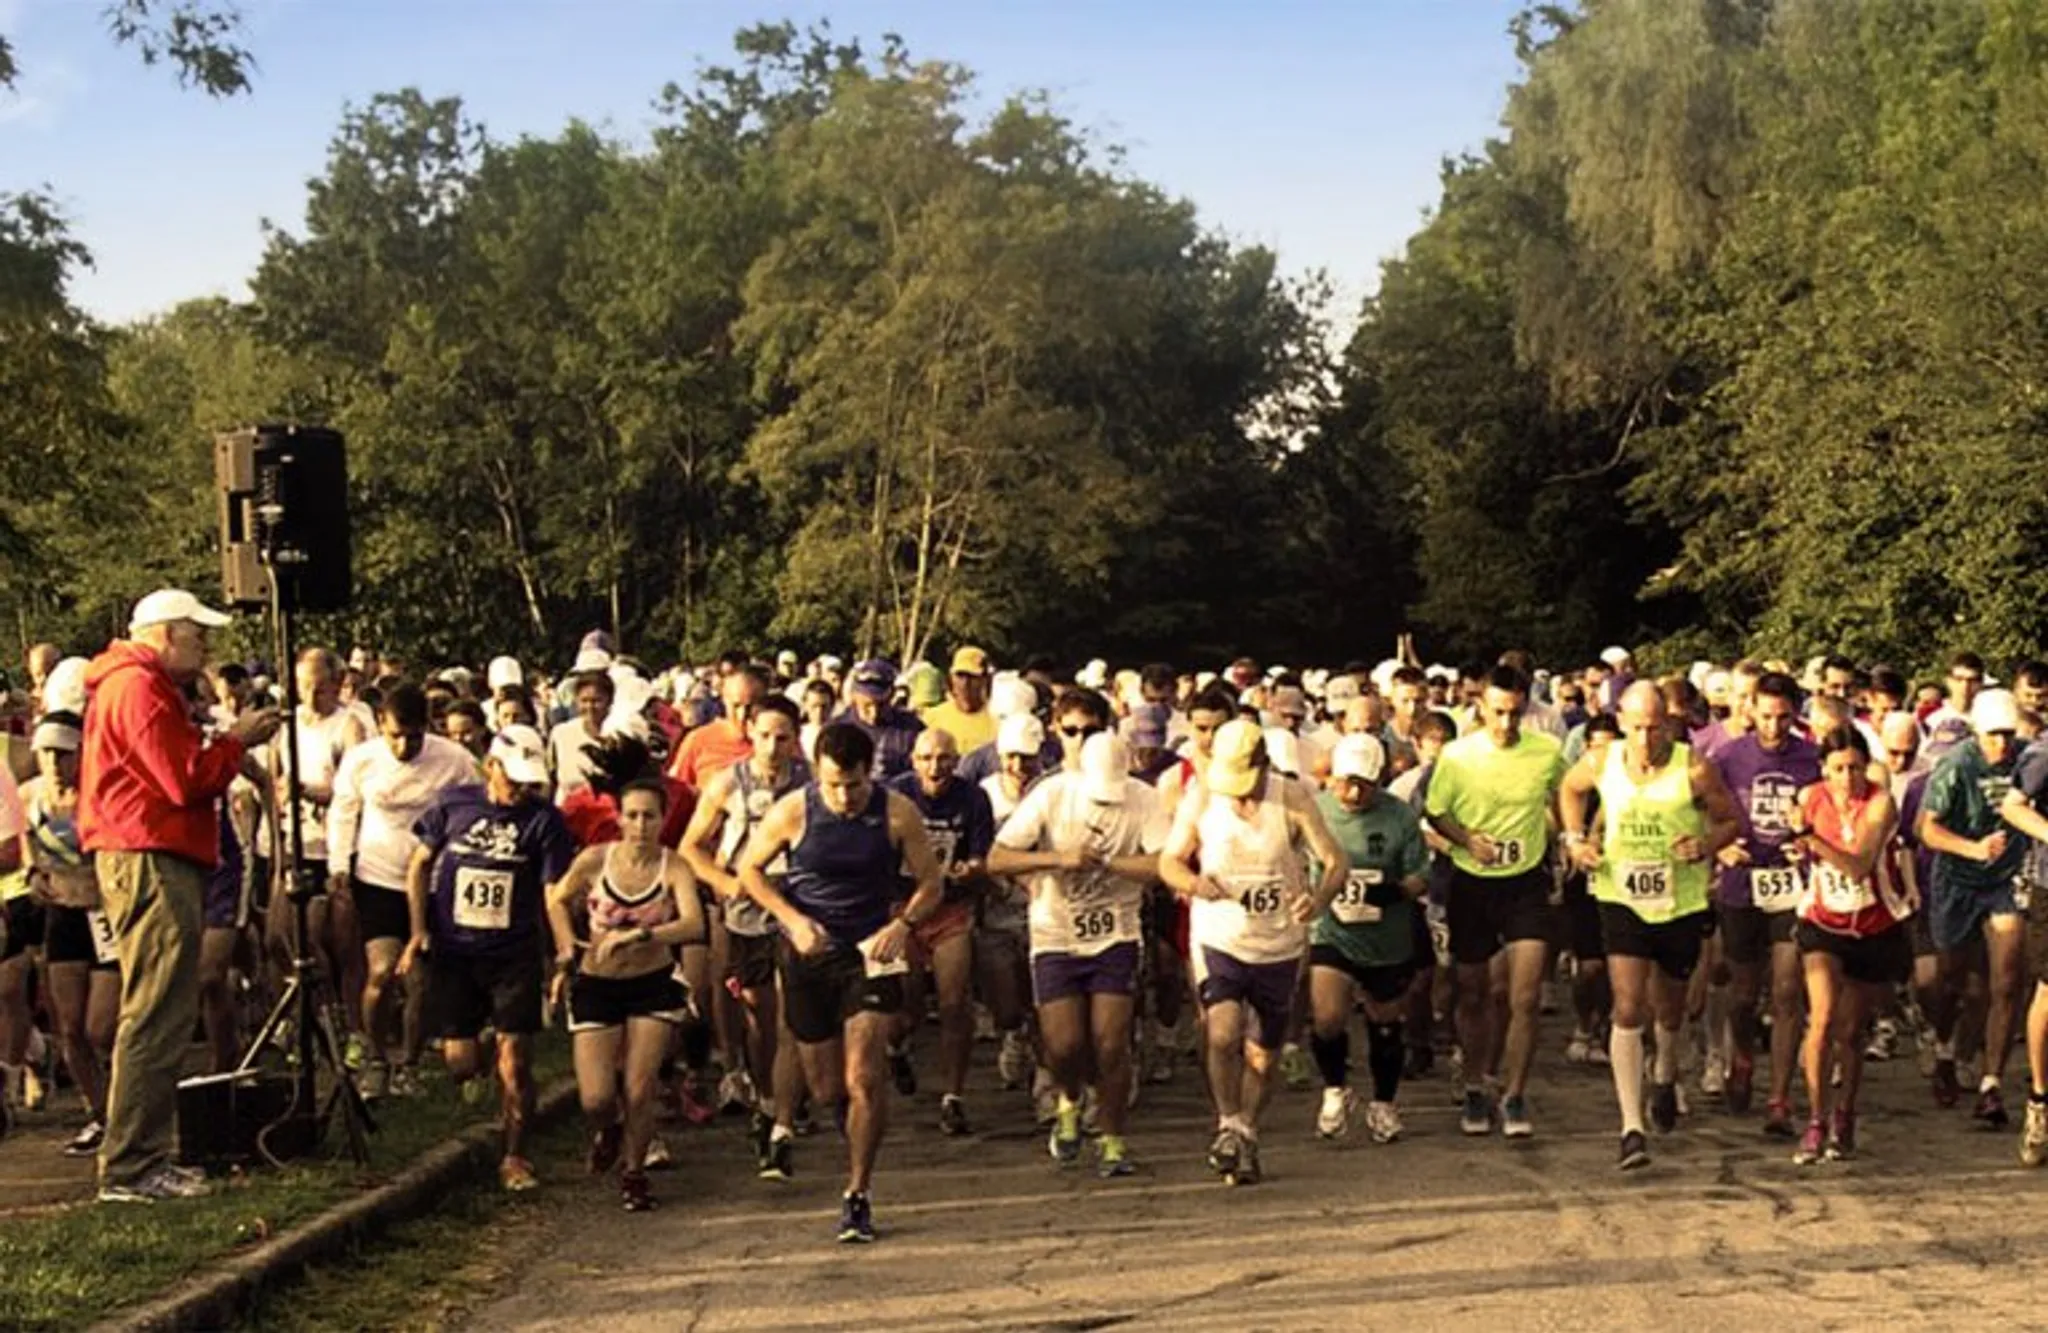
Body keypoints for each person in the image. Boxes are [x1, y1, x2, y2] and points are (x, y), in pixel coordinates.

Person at [79, 590, 280, 1202]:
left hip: (150, 849)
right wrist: (237, 741)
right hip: (148, 852)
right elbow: (181, 777)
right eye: (198, 637)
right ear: (165, 635)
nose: (207, 649)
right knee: (158, 1008)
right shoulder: (137, 688)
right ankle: (133, 1165)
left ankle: (139, 1156)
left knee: (161, 1004)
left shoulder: (134, 685)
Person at [734, 722, 945, 1243]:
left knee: (863, 1077)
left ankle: (858, 1193)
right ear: (818, 775)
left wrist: (903, 925)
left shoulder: (897, 812)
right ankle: (843, 1124)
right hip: (810, 954)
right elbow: (749, 871)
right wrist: (793, 920)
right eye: (833, 785)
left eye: (852, 784)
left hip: (870, 951)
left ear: (867, 773)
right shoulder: (793, 811)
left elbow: (931, 883)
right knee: (828, 1086)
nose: (844, 796)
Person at [1559, 682, 1738, 1170]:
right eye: (1636, 727)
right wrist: (1575, 841)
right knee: (1628, 1005)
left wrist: (1704, 845)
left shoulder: (1694, 766)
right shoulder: (1602, 760)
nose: (1645, 737)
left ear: (1669, 724)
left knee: (1672, 1010)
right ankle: (1630, 1127)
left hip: (1678, 901)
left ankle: (1664, 1070)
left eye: (1654, 727)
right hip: (1621, 896)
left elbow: (1730, 822)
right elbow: (1569, 790)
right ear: (1620, 720)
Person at [1160, 718, 1346, 1184]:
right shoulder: (1202, 796)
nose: (1240, 794)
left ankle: (1246, 1128)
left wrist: (1317, 898)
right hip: (1220, 935)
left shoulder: (1292, 797)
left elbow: (1335, 861)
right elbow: (1169, 859)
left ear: (1263, 764)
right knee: (1222, 1032)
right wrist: (1192, 882)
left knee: (1264, 1053)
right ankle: (1226, 1122)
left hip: (1279, 941)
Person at [398, 724, 577, 1191]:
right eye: (513, 777)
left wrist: (564, 951)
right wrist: (418, 930)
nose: (521, 788)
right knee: (460, 1060)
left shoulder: (545, 821)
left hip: (514, 954)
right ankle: (473, 1060)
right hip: (456, 950)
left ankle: (515, 1155)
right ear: (491, 767)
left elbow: (553, 890)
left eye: (529, 780)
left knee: (515, 1060)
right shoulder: (453, 804)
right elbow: (418, 865)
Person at [989, 732, 1166, 1177]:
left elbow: (1162, 865)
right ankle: (1068, 1098)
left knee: (1110, 1042)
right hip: (1057, 932)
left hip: (1116, 933)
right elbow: (997, 858)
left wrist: (1111, 864)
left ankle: (1112, 1139)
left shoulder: (1144, 799)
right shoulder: (1052, 793)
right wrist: (1055, 859)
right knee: (1064, 1044)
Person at [547, 779, 709, 1211]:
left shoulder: (673, 867)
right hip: (597, 983)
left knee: (640, 1088)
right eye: (632, 815)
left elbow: (694, 924)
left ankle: (634, 1172)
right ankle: (611, 1128)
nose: (640, 825)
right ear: (618, 818)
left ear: (663, 819)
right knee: (596, 1097)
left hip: (651, 984)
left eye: (649, 816)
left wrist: (642, 934)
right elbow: (557, 900)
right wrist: (566, 946)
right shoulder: (595, 861)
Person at [1423, 664, 1567, 1139]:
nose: (1506, 724)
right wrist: (1466, 839)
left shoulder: (1545, 752)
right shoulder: (1458, 756)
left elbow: (1566, 793)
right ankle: (1474, 1085)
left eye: (1514, 713)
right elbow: (1436, 811)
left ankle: (1515, 1093)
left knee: (1523, 996)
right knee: (1473, 991)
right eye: (1497, 713)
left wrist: (1569, 834)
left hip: (1525, 883)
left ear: (1526, 706)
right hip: (1471, 882)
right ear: (1480, 707)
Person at [680, 695, 811, 1178]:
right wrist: (727, 881)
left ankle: (782, 1122)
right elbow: (691, 847)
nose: (773, 747)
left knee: (791, 1015)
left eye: (782, 737)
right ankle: (766, 1094)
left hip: (797, 906)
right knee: (760, 1019)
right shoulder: (726, 784)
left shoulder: (812, 782)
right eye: (764, 736)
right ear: (749, 735)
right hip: (745, 913)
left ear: (796, 738)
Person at [327, 682, 478, 1097]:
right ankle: (376, 1057)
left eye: (414, 736)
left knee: (421, 981)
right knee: (381, 971)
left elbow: (475, 809)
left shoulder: (455, 760)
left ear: (427, 728)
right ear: (380, 726)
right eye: (395, 735)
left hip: (434, 882)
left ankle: (407, 1064)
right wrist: (338, 865)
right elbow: (343, 812)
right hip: (378, 877)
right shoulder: (362, 760)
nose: (404, 745)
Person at [1787, 727, 1912, 1164]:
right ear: (1824, 769)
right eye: (1838, 769)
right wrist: (1795, 848)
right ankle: (1816, 1120)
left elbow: (1859, 865)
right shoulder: (1809, 798)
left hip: (1874, 925)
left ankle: (1845, 1115)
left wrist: (1810, 839)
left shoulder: (1880, 802)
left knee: (1850, 1031)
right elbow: (1796, 850)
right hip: (1823, 922)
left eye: (1855, 768)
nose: (1847, 778)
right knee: (1820, 1019)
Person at [1709, 670, 1819, 1131]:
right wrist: (1718, 846)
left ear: (1796, 715)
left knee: (1789, 991)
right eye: (1767, 717)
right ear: (1750, 710)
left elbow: (1825, 813)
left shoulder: (1812, 758)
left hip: (1790, 882)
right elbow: (1700, 810)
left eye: (1784, 718)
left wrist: (1808, 841)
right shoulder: (1728, 756)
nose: (1774, 727)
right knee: (1743, 993)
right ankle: (1742, 1059)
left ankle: (1778, 1098)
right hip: (1742, 883)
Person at [1307, 733, 1429, 1144]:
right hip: (1332, 930)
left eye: (1364, 783)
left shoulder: (1399, 818)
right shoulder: (1315, 812)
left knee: (1385, 1020)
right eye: (1346, 781)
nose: (1353, 792)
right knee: (1327, 1016)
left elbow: (1419, 875)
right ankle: (1334, 1088)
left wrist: (1396, 891)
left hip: (1386, 934)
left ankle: (1383, 1102)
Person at [1918, 687, 2031, 1127]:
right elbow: (1928, 830)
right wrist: (1972, 848)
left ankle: (1991, 1084)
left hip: (2006, 882)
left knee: (2006, 981)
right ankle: (1945, 1046)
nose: (2001, 744)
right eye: (1992, 736)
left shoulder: (2027, 757)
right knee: (1951, 977)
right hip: (1958, 880)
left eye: (2007, 734)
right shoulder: (1957, 764)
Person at [886, 727, 995, 1133]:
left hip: (950, 909)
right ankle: (896, 1045)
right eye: (928, 759)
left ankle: (954, 1096)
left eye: (946, 759)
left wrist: (973, 869)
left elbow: (981, 855)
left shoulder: (972, 798)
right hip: (902, 907)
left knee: (954, 1003)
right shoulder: (895, 796)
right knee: (907, 1005)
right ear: (914, 761)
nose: (937, 768)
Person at [19, 713, 117, 1154]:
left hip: (104, 915)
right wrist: (33, 875)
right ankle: (100, 1116)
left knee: (102, 1027)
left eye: (64, 753)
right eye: (47, 753)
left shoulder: (101, 795)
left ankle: (129, 1107)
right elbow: (29, 853)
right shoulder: (30, 796)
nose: (55, 763)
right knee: (70, 1029)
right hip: (62, 917)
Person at [835, 661, 923, 781]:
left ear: (892, 695)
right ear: (855, 696)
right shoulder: (838, 729)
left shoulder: (911, 728)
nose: (874, 713)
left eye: (882, 705)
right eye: (867, 705)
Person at [919, 647, 999, 755]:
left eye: (972, 677)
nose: (965, 684)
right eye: (960, 676)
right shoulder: (932, 719)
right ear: (951, 678)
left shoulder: (997, 721)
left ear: (985, 679)